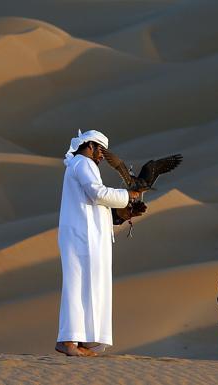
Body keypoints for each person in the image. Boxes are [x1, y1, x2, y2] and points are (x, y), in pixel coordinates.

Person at [55, 129, 146, 357]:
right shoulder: (82, 163)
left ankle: (81, 340)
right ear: (91, 146)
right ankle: (68, 341)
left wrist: (122, 215)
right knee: (77, 286)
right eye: (100, 151)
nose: (102, 157)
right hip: (81, 237)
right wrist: (129, 196)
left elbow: (95, 205)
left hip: (88, 237)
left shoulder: (81, 166)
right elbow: (97, 193)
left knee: (89, 287)